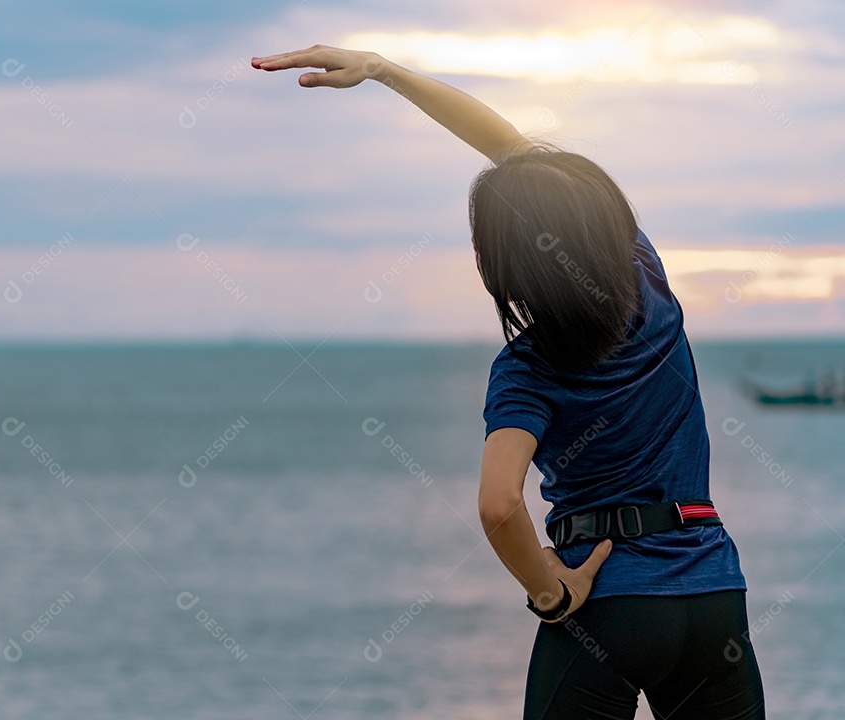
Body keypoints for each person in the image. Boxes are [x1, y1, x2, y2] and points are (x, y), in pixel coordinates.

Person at [253, 45, 766, 719]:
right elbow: (513, 153)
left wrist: (549, 591)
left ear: (504, 266)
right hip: (712, 597)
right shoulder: (650, 282)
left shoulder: (526, 368)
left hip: (606, 603)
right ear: (603, 220)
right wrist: (384, 69)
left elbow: (500, 505)